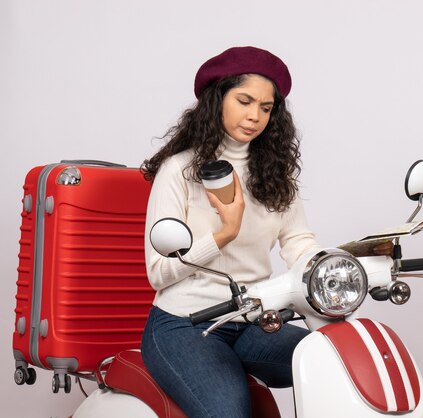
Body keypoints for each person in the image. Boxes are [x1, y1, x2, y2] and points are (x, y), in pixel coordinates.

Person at [140, 46, 320, 417]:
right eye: (244, 100)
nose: (254, 116)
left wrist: (329, 267)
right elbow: (158, 272)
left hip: (254, 318)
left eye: (266, 108)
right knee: (229, 411)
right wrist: (225, 232)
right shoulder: (180, 170)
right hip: (184, 326)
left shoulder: (274, 174)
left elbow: (299, 241)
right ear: (218, 98)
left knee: (329, 362)